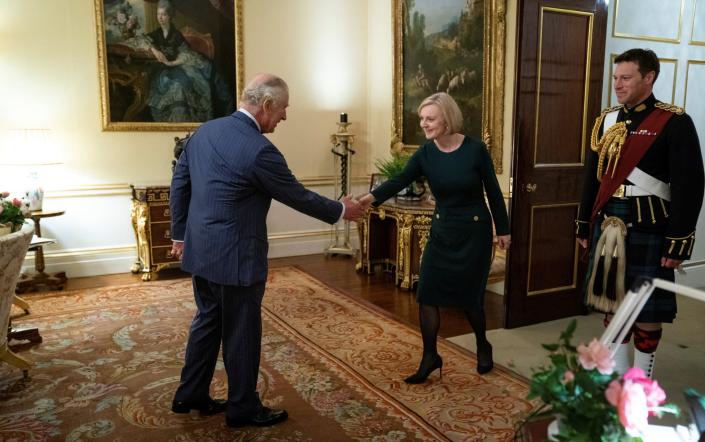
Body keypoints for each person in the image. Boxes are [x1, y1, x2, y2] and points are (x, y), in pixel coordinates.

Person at [169, 73, 366, 427]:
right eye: (284, 109)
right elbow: (297, 195)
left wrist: (179, 235)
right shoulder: (260, 150)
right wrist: (342, 210)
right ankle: (242, 408)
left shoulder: (204, 132)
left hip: (202, 251)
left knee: (207, 322)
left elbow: (180, 182)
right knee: (241, 332)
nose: (285, 117)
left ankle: (190, 394)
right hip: (237, 258)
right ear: (267, 105)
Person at [359, 92, 510, 382]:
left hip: (474, 232)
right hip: (441, 231)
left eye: (430, 119)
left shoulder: (475, 149)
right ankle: (430, 356)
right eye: (422, 119)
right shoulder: (426, 153)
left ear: (447, 119)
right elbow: (399, 180)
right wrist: (369, 199)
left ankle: (482, 344)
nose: (424, 124)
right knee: (427, 293)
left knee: (471, 300)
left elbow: (492, 190)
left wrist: (503, 230)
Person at [575, 48, 704, 378]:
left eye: (626, 78)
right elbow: (594, 176)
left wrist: (678, 243)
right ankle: (617, 377)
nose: (618, 84)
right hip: (609, 221)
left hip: (650, 225)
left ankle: (641, 380)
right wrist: (583, 225)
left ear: (649, 78)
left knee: (647, 306)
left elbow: (689, 187)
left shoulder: (675, 123)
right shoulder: (606, 120)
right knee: (611, 301)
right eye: (616, 78)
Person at [145, 0, 232, 122]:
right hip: (162, 71)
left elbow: (186, 53)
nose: (160, 18)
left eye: (164, 14)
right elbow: (142, 41)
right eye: (158, 14)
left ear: (169, 16)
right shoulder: (155, 34)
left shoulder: (176, 35)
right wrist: (154, 50)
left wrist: (171, 63)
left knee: (191, 80)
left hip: (177, 65)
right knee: (175, 84)